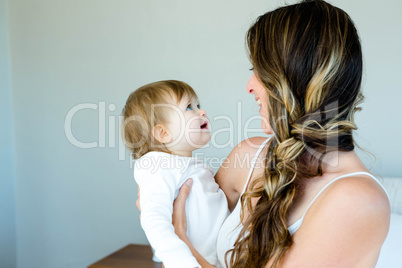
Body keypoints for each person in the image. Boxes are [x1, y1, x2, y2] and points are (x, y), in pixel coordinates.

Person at [138, 0, 390, 267]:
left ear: (291, 78)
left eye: (257, 71)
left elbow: (182, 235)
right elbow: (187, 217)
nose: (249, 86)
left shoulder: (356, 201)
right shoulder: (249, 155)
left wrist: (180, 244)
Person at [122, 80, 229, 268]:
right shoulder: (156, 164)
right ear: (163, 134)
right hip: (193, 261)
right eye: (189, 107)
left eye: (198, 105)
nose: (201, 112)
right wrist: (181, 262)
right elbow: (154, 219)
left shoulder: (189, 165)